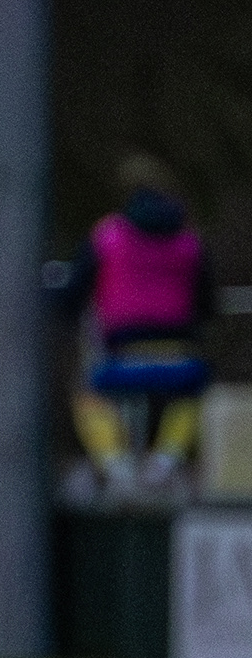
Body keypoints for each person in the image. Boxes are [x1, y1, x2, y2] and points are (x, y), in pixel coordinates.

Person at [55, 153, 214, 493]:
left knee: (88, 394)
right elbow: (206, 304)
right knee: (194, 391)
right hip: (180, 360)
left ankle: (118, 469)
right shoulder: (190, 242)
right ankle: (165, 463)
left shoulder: (107, 235)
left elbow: (73, 295)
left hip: (121, 359)